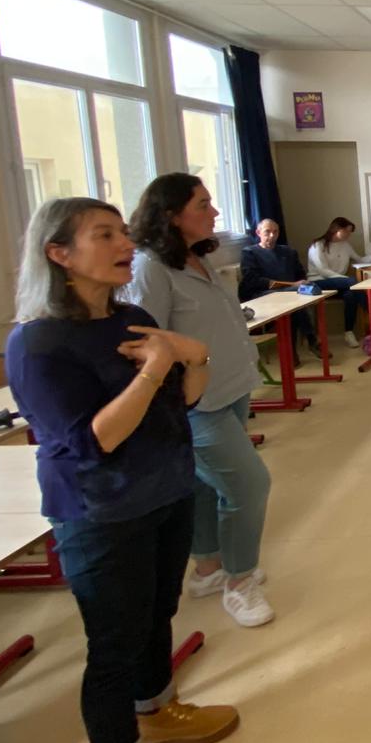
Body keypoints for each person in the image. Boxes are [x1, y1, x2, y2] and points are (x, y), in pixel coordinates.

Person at [6, 197, 235, 743]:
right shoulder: (37, 343)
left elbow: (184, 402)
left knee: (157, 612)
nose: (124, 244)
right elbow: (95, 439)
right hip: (101, 511)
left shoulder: (131, 319)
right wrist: (161, 363)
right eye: (104, 235)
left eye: (122, 233)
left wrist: (194, 358)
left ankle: (156, 710)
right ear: (59, 254)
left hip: (164, 490)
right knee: (113, 643)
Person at [129, 174, 276, 629]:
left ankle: (209, 568)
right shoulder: (150, 268)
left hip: (231, 385)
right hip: (194, 403)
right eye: (203, 204)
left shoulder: (198, 256)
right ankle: (240, 581)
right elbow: (146, 339)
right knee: (249, 485)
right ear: (171, 215)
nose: (214, 212)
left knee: (207, 484)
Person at [238, 218, 317, 361]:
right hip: (260, 294)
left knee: (294, 306)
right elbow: (253, 280)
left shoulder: (288, 252)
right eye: (267, 232)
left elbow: (300, 274)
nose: (272, 235)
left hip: (289, 294)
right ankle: (311, 339)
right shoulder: (249, 252)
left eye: (275, 232)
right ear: (258, 233)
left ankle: (293, 354)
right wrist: (291, 285)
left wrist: (299, 283)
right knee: (293, 299)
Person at [306, 216, 369, 349]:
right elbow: (323, 271)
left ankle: (348, 332)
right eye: (346, 231)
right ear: (336, 229)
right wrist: (345, 280)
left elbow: (359, 259)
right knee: (352, 282)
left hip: (340, 283)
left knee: (351, 295)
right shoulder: (318, 245)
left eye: (350, 232)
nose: (348, 234)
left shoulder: (345, 245)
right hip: (318, 283)